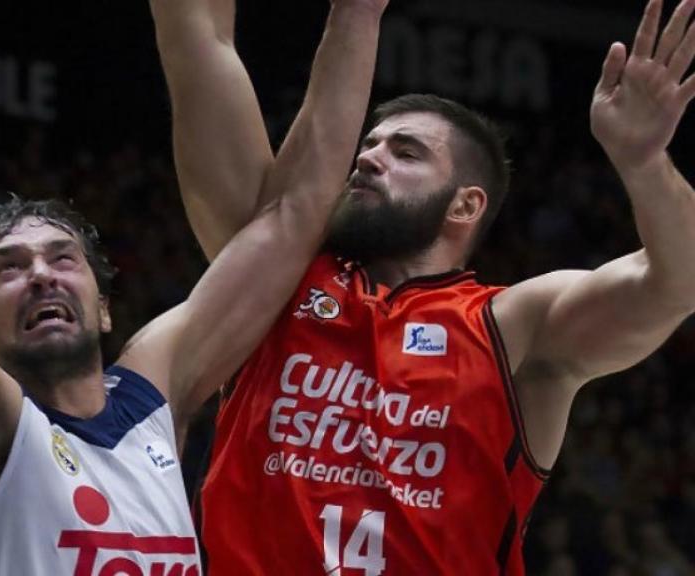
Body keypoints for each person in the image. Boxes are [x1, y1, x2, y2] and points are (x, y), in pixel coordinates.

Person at [0, 0, 387, 573]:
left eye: (62, 258)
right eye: (8, 267)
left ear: (104, 308)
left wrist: (357, 15)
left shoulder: (151, 398)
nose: (39, 274)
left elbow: (291, 216)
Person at [153, 0, 695, 573]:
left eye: (405, 152)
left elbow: (678, 282)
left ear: (465, 204)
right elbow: (199, 44)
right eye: (369, 145)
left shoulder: (512, 325)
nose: (367, 159)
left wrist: (644, 163)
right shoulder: (273, 281)